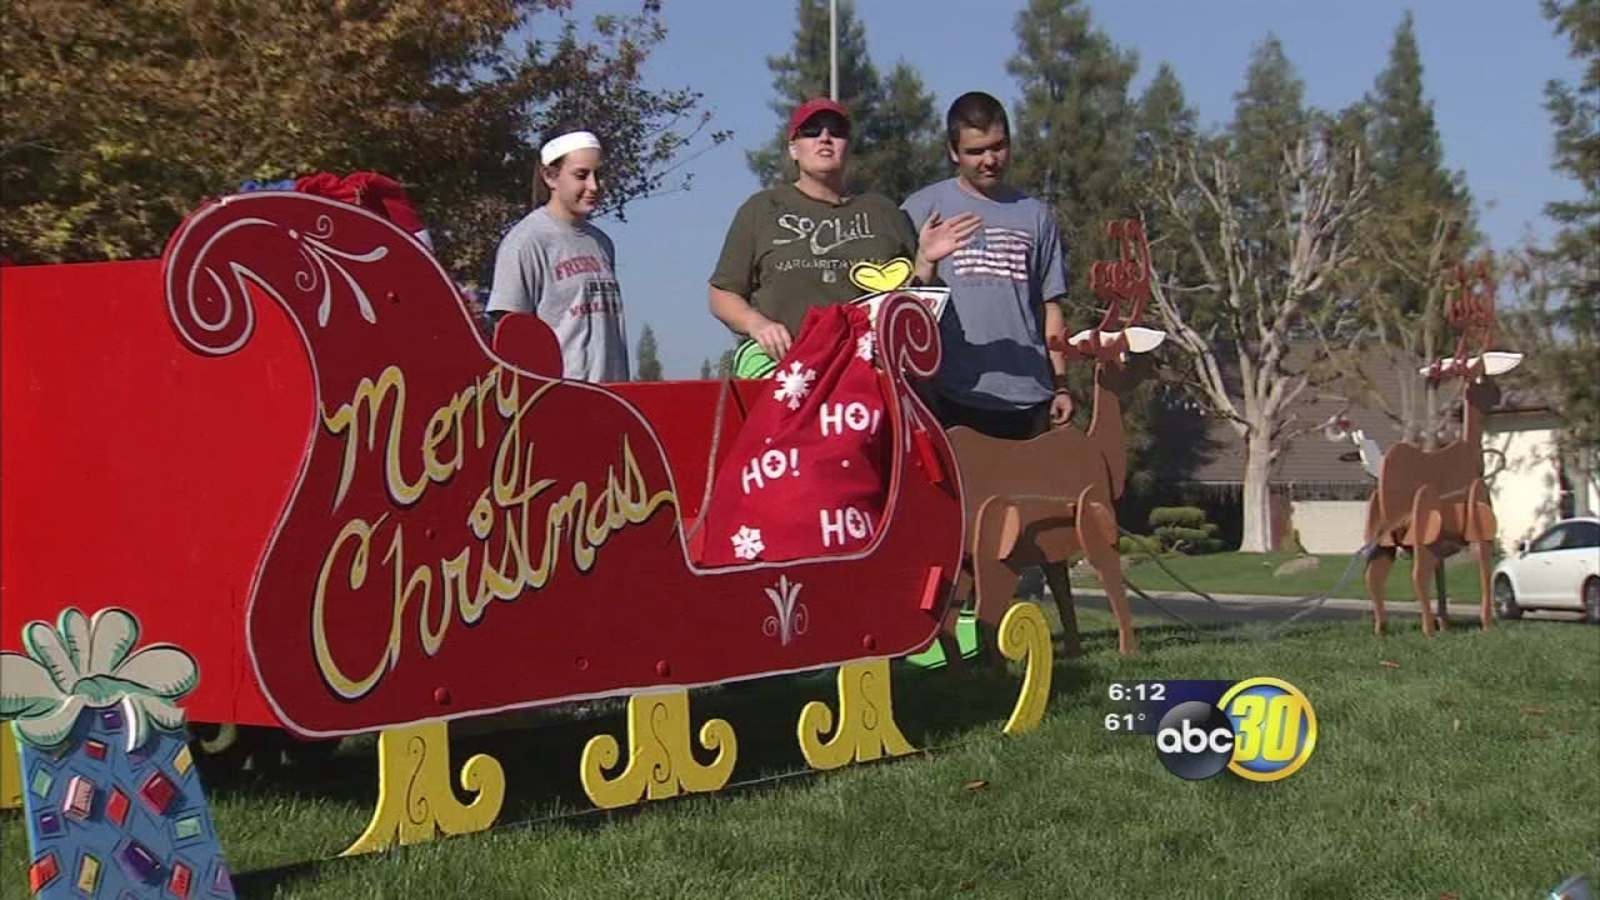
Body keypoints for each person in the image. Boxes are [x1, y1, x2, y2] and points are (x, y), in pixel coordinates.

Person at [709, 97, 981, 371]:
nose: (825, 138)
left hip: (866, 372)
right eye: (812, 131)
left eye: (836, 131)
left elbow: (909, 303)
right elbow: (722, 294)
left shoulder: (884, 212)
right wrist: (757, 324)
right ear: (793, 148)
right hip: (787, 370)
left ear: (848, 147)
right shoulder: (762, 208)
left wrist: (925, 261)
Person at [900, 91, 1072, 441]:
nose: (990, 160)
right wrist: (925, 262)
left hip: (1030, 399)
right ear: (953, 152)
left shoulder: (1036, 215)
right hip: (950, 397)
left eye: (998, 147)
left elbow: (1050, 306)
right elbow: (900, 306)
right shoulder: (921, 209)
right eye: (975, 151)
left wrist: (1061, 385)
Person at [486, 128, 630, 382]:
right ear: (550, 177)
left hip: (611, 393)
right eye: (581, 175)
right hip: (560, 394)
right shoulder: (527, 240)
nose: (593, 186)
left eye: (598, 174)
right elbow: (510, 334)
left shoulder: (602, 243)